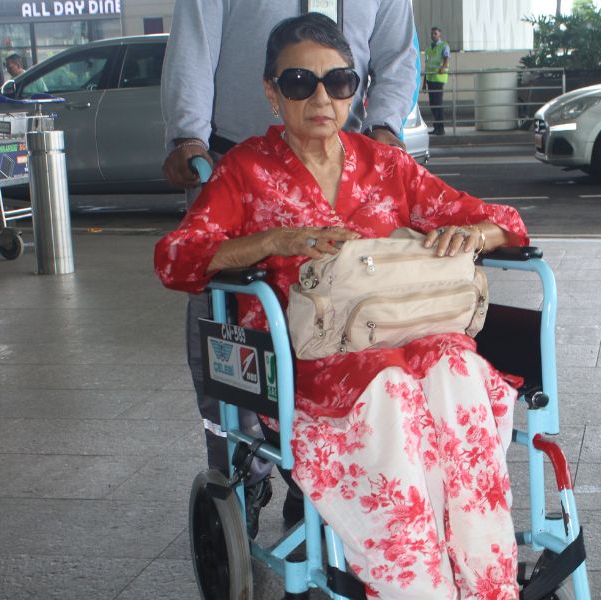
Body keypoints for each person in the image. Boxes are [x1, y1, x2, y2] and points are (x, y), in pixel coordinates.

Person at [155, 13, 528, 598]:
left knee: (457, 365)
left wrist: (475, 234)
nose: (321, 98)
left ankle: (488, 581)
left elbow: (505, 222)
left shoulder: (386, 166)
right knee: (392, 389)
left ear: (356, 90)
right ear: (272, 93)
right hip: (306, 359)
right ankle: (416, 586)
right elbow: (176, 258)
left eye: (338, 82)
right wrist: (273, 242)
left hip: (403, 336)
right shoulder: (247, 170)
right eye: (299, 82)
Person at [159, 0, 418, 537]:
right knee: (225, 326)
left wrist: (385, 125)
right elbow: (194, 47)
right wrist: (188, 133)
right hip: (237, 160)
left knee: (351, 325)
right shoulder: (241, 166)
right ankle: (244, 471)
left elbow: (397, 54)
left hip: (342, 160)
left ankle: (315, 482)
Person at [424, 26, 450, 135]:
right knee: (433, 104)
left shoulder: (444, 46)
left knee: (438, 104)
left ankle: (441, 128)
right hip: (430, 79)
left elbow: (446, 58)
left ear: (440, 35)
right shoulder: (428, 49)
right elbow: (427, 66)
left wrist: (442, 68)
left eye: (435, 33)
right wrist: (424, 82)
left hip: (438, 79)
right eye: (432, 33)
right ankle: (436, 127)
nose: (433, 35)